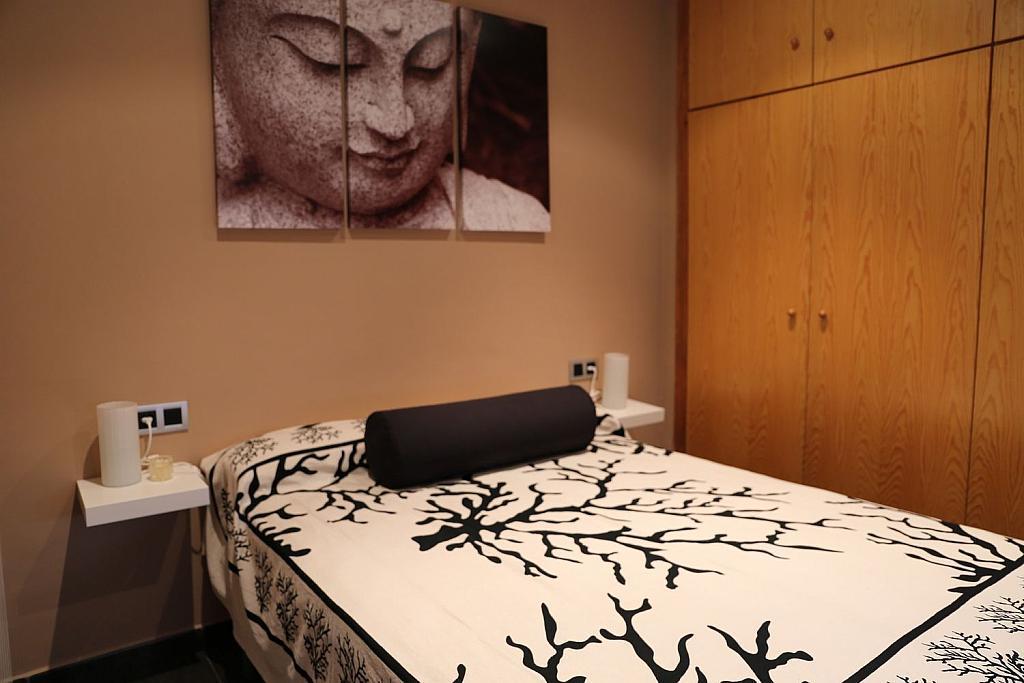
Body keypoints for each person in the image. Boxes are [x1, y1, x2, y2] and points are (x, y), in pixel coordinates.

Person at [211, 0, 549, 231]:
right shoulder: (202, 237)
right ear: (219, 58)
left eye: (430, 64)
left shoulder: (511, 220)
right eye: (334, 61)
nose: (395, 122)